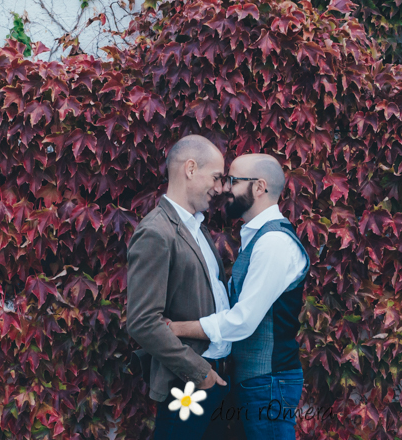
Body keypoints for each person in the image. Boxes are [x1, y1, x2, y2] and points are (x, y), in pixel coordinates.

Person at [168, 153, 310, 440]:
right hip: (257, 382)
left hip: (269, 383)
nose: (223, 188)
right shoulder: (259, 238)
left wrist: (176, 328)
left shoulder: (273, 243)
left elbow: (242, 321)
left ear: (259, 187)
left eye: (232, 181)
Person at [126, 135, 234, 440]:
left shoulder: (198, 228)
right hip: (188, 385)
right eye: (215, 177)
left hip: (216, 379)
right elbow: (142, 322)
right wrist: (200, 374)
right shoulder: (156, 233)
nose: (219, 188)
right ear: (190, 168)